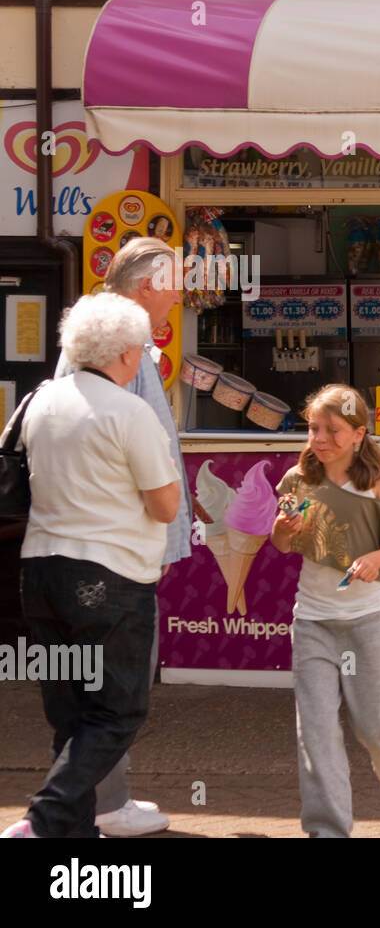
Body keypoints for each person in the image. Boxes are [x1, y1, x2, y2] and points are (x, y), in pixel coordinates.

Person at [2, 294, 180, 838]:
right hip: (111, 579)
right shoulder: (130, 412)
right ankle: (42, 821)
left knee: (71, 716)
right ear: (127, 352)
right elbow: (165, 505)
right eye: (144, 348)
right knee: (116, 712)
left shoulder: (38, 401)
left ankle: (69, 841)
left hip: (40, 573)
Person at [51, 236, 189, 836]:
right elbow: (125, 452)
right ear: (149, 283)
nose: (182, 290)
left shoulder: (114, 341)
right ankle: (99, 806)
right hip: (114, 554)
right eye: (176, 278)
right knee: (112, 687)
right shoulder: (117, 345)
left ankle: (97, 801)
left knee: (100, 686)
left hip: (98, 550)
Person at [271, 385, 380, 837]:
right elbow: (281, 543)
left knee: (375, 728)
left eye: (333, 430)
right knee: (316, 734)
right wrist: (284, 527)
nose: (320, 439)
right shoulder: (295, 480)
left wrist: (373, 562)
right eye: (313, 428)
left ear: (359, 433)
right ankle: (328, 830)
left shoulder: (379, 476)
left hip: (367, 624)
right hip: (312, 624)